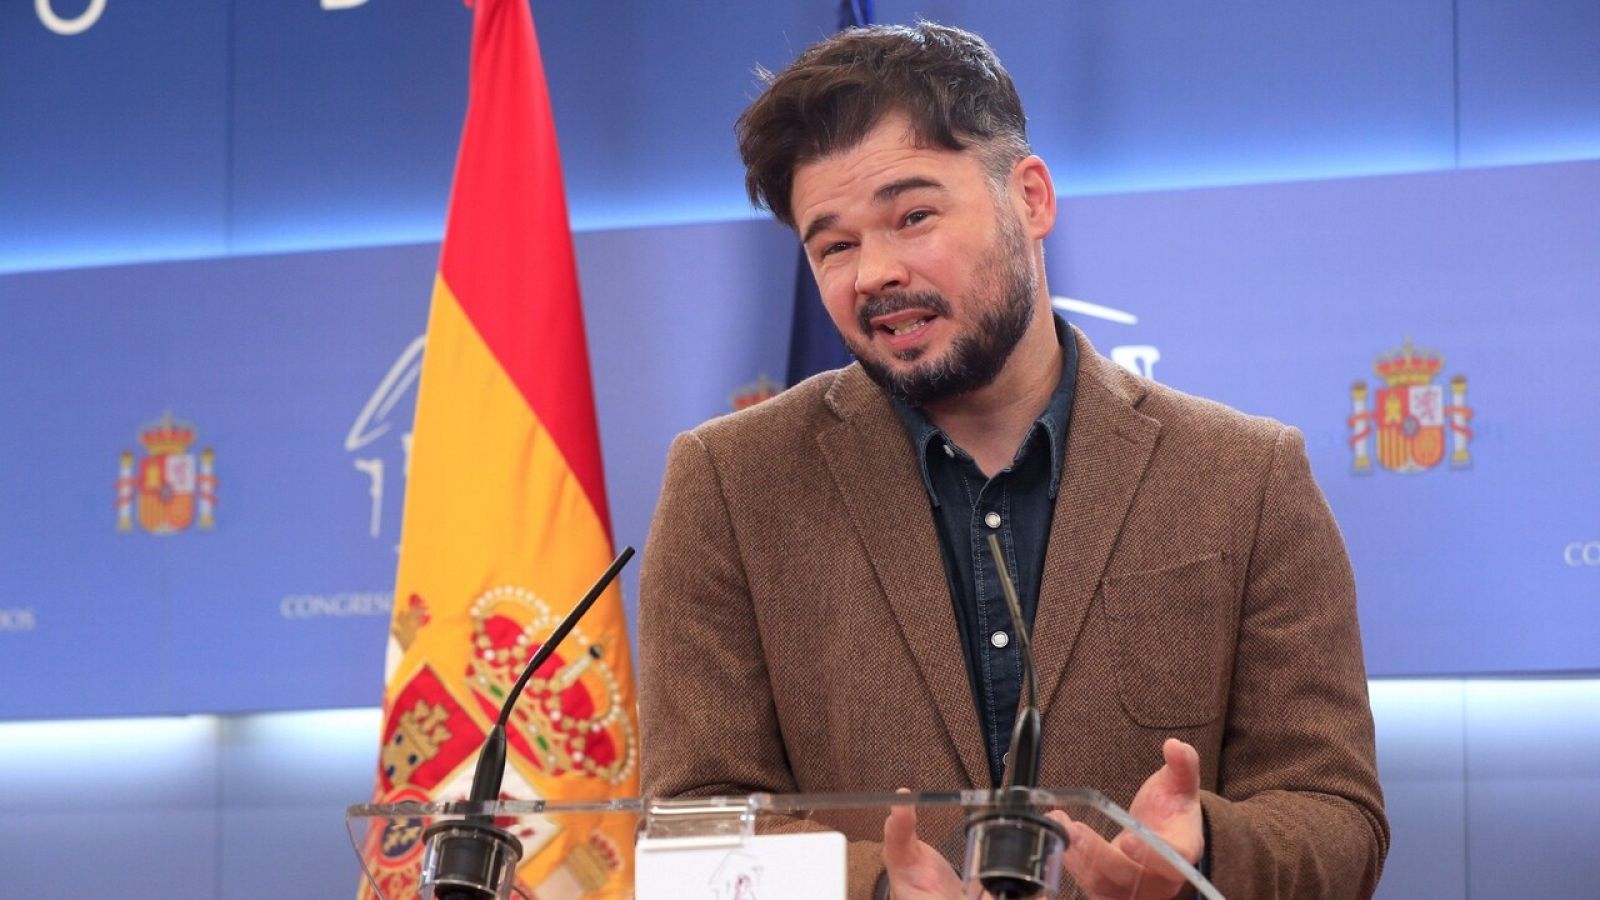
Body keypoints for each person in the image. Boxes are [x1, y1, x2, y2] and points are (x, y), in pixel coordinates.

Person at [638, 22, 1387, 899]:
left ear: (1029, 198)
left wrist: (1201, 851)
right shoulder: (730, 484)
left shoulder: (1244, 474)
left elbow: (1336, 817)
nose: (873, 272)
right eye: (834, 244)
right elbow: (692, 820)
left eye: (913, 216)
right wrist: (876, 888)